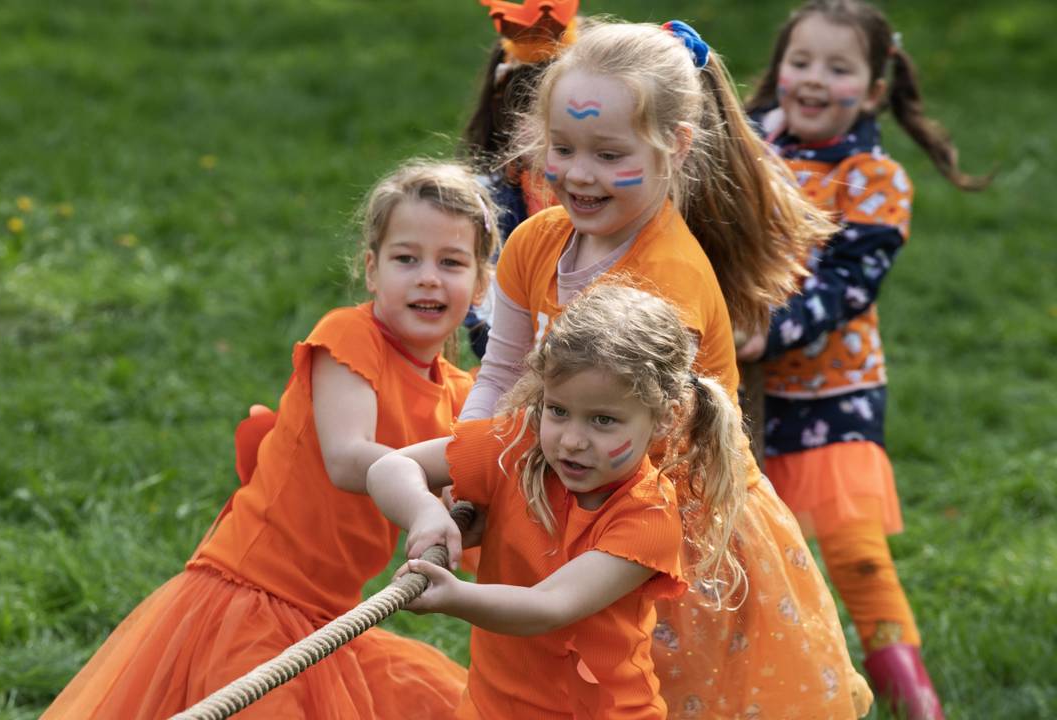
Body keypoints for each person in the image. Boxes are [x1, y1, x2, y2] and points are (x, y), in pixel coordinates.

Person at [460, 19, 871, 717]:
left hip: (669, 535)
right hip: (580, 491)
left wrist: (498, 491)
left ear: (674, 147)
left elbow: (643, 452)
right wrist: (466, 484)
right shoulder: (534, 242)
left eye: (608, 152)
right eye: (563, 148)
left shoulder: (665, 285)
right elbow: (499, 378)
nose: (579, 173)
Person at [41, 160, 501, 720]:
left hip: (327, 622)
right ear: (372, 271)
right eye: (406, 259)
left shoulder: (458, 396)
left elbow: (482, 532)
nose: (428, 277)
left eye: (450, 263)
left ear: (480, 284)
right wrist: (426, 507)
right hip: (251, 600)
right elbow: (348, 457)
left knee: (447, 706)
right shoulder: (348, 339)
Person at [739, 2, 991, 717]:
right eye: (801, 61)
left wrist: (770, 332)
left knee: (856, 556)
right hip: (734, 394)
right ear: (780, 68)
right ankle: (774, 695)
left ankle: (915, 701)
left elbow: (846, 284)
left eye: (839, 68)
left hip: (831, 401)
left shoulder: (873, 178)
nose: (814, 79)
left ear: (874, 89)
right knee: (755, 563)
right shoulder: (743, 150)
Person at [368, 284, 747, 719]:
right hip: (492, 706)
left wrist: (453, 596)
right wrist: (424, 514)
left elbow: (549, 607)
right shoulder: (516, 444)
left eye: (603, 420)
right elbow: (389, 469)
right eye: (558, 410)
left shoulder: (649, 517)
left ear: (664, 418)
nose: (571, 440)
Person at [460, 0, 579, 356]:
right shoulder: (487, 201)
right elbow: (483, 330)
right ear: (507, 115)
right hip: (513, 363)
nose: (554, 130)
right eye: (536, 112)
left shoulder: (610, 191)